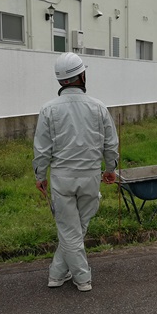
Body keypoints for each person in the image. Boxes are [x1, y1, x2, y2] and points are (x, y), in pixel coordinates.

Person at [33, 53, 119, 292]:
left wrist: (40, 176)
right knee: (76, 228)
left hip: (62, 177)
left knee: (69, 229)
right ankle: (82, 278)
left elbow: (41, 148)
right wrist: (110, 169)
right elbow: (111, 144)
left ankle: (57, 274)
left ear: (60, 80)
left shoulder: (48, 109)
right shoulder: (98, 107)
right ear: (82, 75)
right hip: (90, 175)